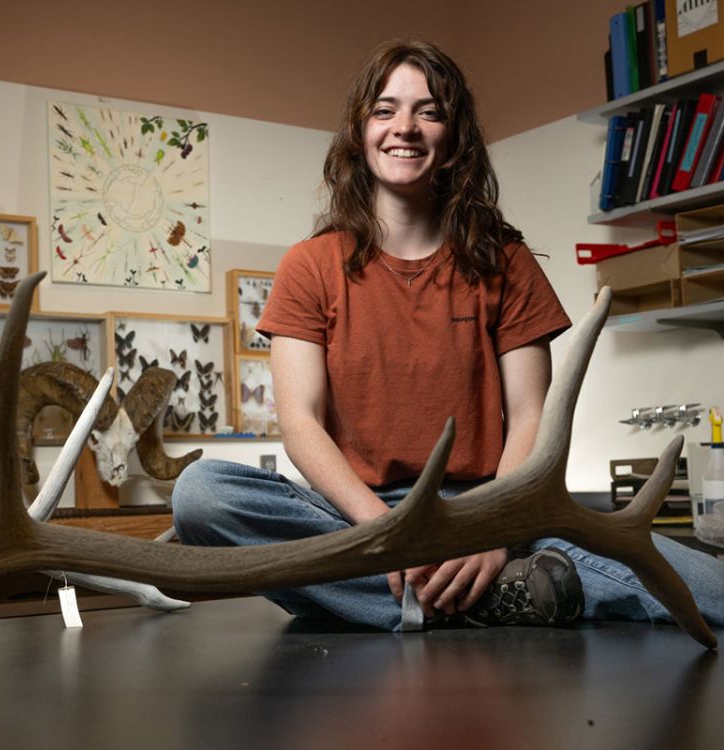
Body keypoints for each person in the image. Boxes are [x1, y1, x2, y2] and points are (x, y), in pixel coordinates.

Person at [172, 40, 724, 632]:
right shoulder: (308, 267)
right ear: (360, 131)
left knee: (708, 586)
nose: (404, 128)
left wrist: (490, 533)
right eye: (385, 110)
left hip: (492, 510)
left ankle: (434, 597)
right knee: (202, 494)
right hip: (360, 517)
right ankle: (493, 599)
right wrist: (392, 538)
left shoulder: (506, 261)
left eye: (428, 112)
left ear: (454, 135)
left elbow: (531, 420)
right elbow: (301, 425)